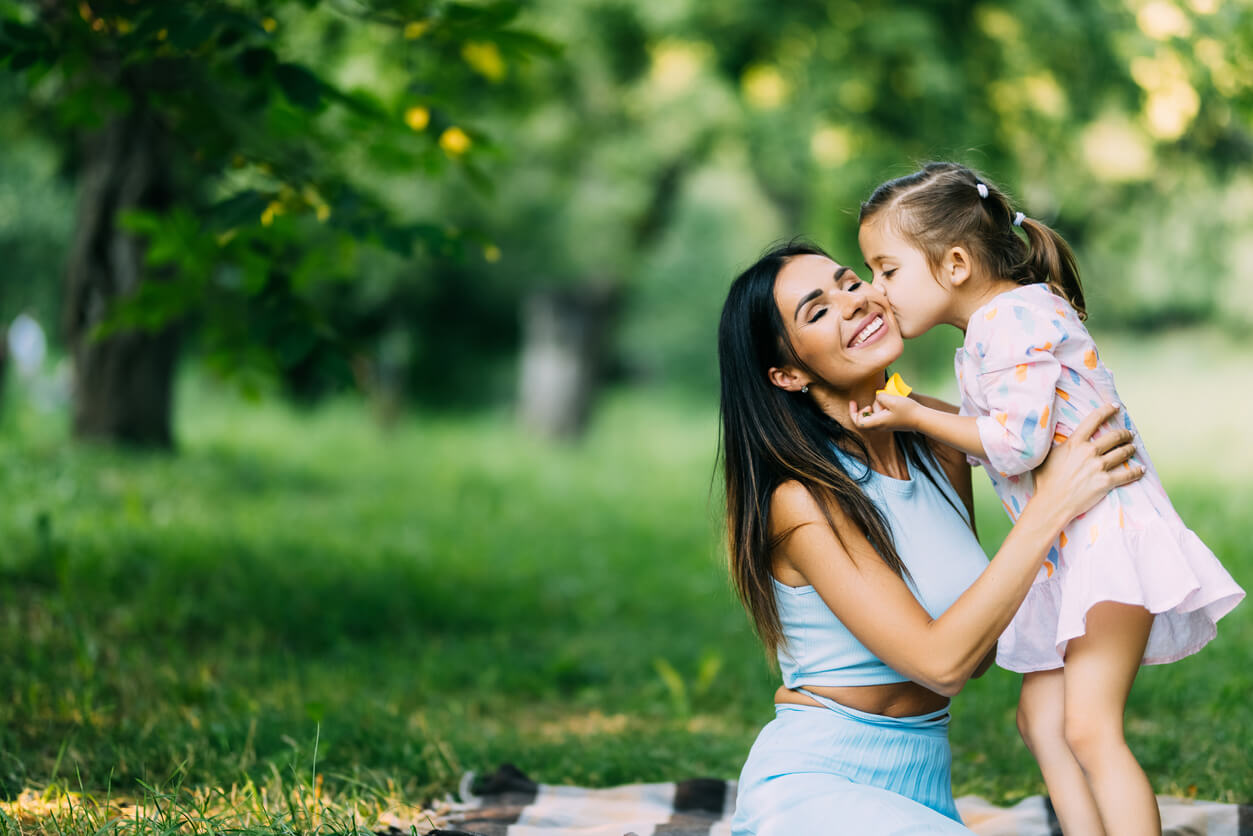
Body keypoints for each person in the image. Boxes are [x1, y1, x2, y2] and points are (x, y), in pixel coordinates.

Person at [853, 162, 1245, 835]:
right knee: (1040, 721)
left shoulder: (1010, 319)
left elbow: (1014, 446)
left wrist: (913, 419)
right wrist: (916, 406)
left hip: (1105, 542)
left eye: (886, 269)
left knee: (1089, 729)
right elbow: (993, 443)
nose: (875, 289)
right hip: (1070, 547)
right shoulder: (995, 326)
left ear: (951, 263)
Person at [718, 241, 1145, 835]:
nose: (853, 302)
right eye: (817, 311)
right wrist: (1051, 507)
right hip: (816, 789)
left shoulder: (941, 443)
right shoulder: (803, 499)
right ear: (787, 374)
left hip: (923, 790)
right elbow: (941, 664)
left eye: (850, 281)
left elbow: (973, 657)